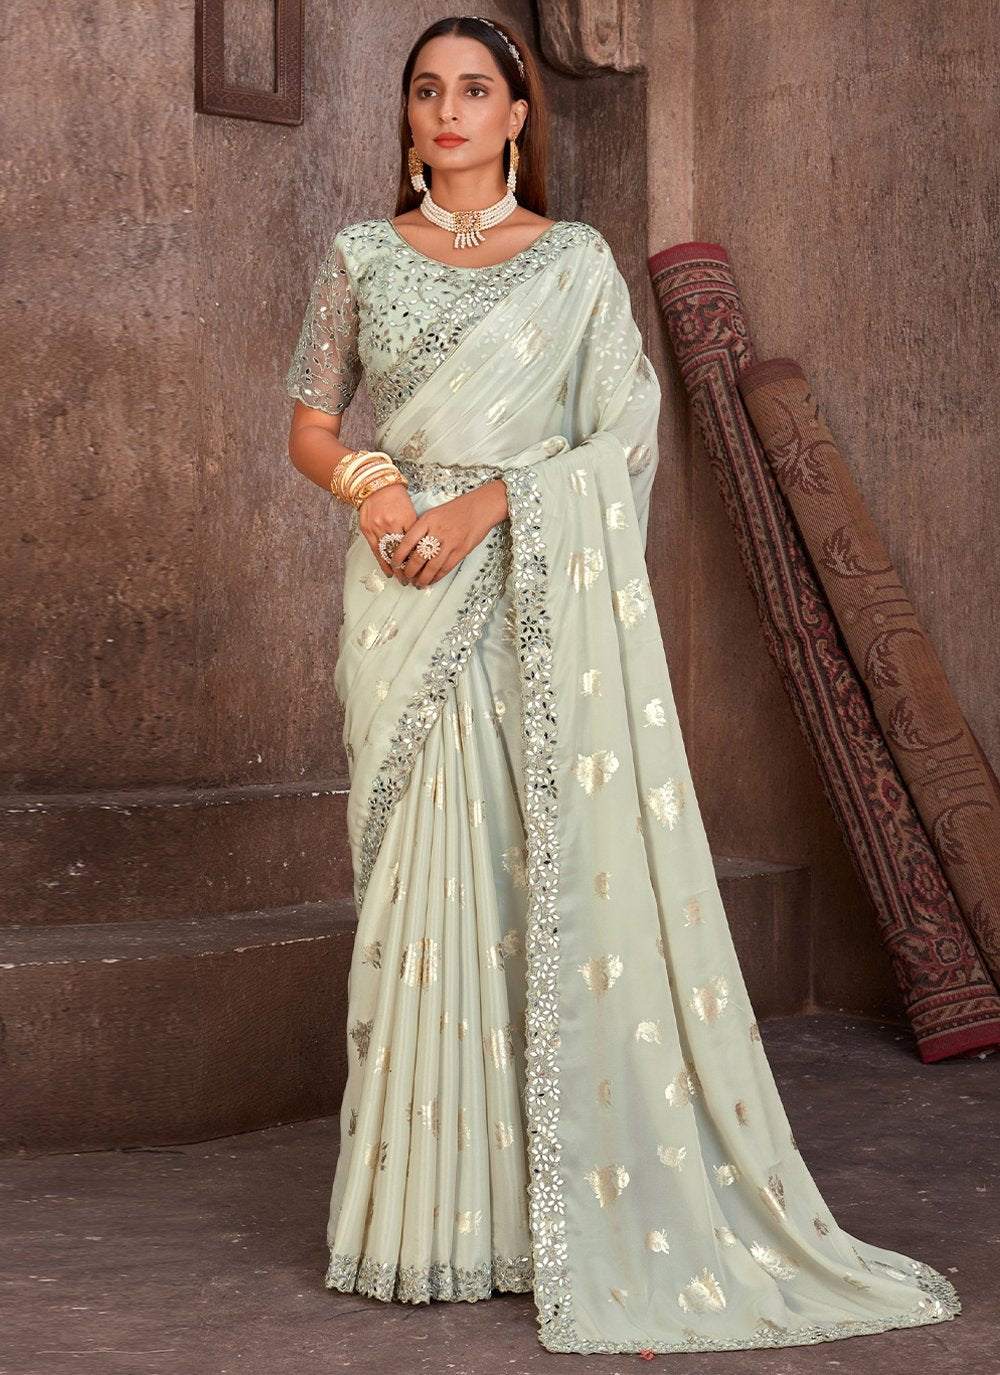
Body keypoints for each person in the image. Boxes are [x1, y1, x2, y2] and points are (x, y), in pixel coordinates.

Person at [283, 13, 961, 1356]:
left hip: (522, 591)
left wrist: (482, 507)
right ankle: (423, 1226)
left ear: (518, 113)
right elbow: (312, 421)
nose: (448, 111)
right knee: (423, 890)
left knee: (526, 876)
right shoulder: (360, 256)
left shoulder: (576, 264)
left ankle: (544, 1215)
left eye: (475, 90)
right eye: (427, 91)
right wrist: (373, 491)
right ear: (409, 115)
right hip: (401, 594)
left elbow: (623, 438)